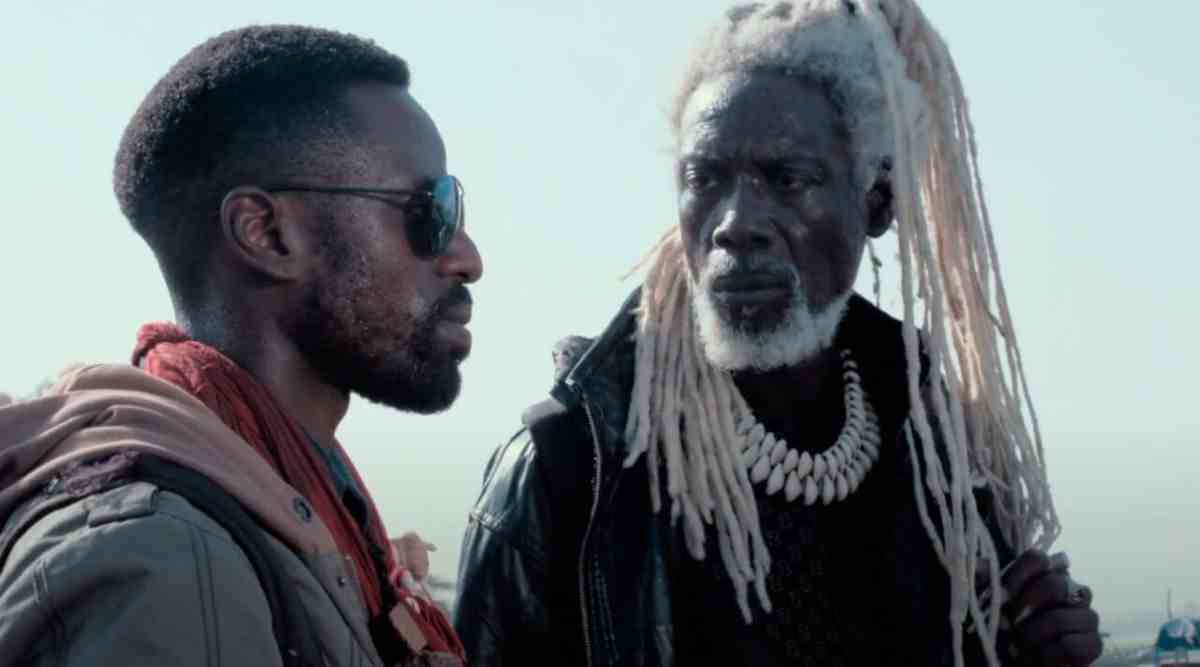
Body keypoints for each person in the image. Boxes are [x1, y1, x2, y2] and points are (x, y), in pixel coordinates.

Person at [454, 2, 1101, 666]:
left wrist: (1036, 647)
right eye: (704, 177)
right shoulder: (571, 463)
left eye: (788, 179)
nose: (735, 223)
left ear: (876, 204)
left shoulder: (944, 457)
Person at [0, 25, 481, 667]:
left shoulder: (295, 502)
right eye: (429, 210)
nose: (467, 258)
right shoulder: (157, 560)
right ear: (266, 234)